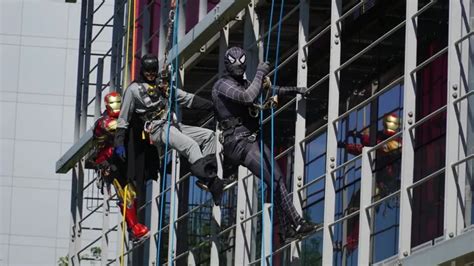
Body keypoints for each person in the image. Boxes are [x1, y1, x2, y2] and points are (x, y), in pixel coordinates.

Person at [211, 46, 322, 242]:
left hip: (251, 139)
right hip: (239, 142)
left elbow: (267, 89)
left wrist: (295, 90)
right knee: (275, 179)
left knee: (277, 180)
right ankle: (297, 223)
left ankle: (288, 229)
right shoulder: (222, 86)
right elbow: (247, 97)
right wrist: (261, 71)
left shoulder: (243, 83)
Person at [115, 54, 228, 206]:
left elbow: (187, 99)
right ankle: (214, 183)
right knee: (191, 146)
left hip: (172, 125)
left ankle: (208, 176)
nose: (150, 74)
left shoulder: (163, 87)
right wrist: (119, 142)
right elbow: (123, 119)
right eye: (147, 71)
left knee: (209, 136)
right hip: (156, 129)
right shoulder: (133, 90)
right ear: (142, 70)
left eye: (153, 71)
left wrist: (214, 106)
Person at [92, 91, 150, 242]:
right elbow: (119, 127)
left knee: (132, 194)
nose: (116, 106)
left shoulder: (120, 118)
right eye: (114, 103)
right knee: (127, 195)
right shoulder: (104, 122)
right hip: (109, 164)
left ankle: (133, 229)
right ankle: (135, 228)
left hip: (122, 162)